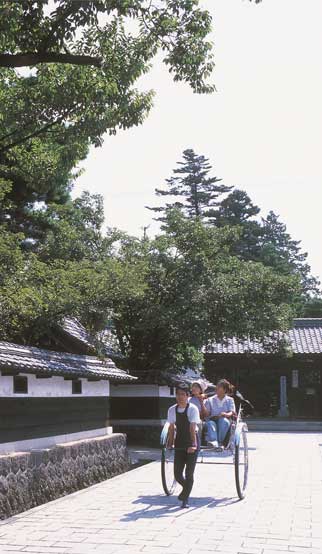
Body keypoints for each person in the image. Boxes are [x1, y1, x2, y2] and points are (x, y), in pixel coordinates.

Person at [167, 383, 200, 508]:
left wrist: (193, 445)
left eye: (182, 394)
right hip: (180, 441)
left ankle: (185, 498)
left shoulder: (192, 409)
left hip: (192, 441)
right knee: (177, 474)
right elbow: (171, 428)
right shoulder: (172, 409)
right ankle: (187, 490)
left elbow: (192, 428)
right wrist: (170, 444)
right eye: (178, 394)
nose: (180, 397)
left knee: (189, 473)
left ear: (187, 396)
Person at [204, 378, 236, 451]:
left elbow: (232, 411)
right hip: (213, 419)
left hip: (225, 419)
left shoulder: (230, 400)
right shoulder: (210, 399)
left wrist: (226, 414)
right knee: (210, 423)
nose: (216, 388)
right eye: (217, 386)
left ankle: (220, 443)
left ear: (224, 390)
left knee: (223, 421)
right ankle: (215, 442)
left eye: (219, 387)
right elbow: (208, 413)